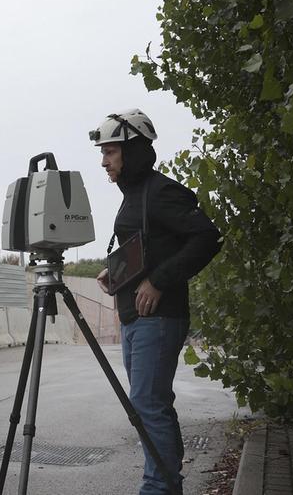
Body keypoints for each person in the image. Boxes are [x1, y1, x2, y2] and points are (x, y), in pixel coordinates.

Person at [90, 109, 221, 495]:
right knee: (152, 404)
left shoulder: (162, 191)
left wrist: (159, 282)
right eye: (103, 153)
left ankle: (158, 489)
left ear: (133, 152)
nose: (104, 161)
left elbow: (206, 238)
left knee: (147, 404)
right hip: (136, 318)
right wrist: (113, 273)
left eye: (111, 152)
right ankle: (167, 484)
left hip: (158, 318)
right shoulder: (136, 195)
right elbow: (150, 246)